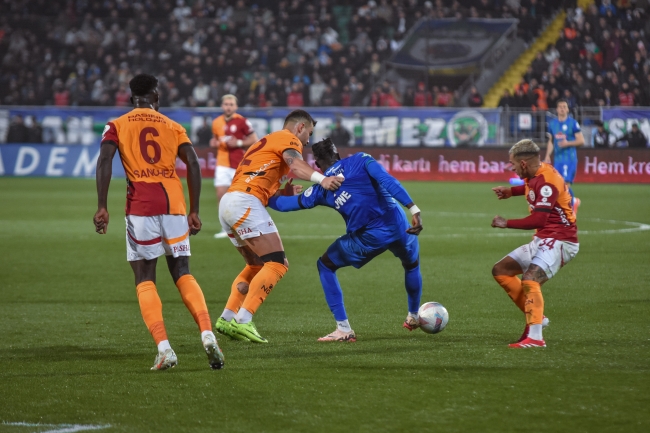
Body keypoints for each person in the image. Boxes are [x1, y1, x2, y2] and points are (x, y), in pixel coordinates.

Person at [93, 73, 224, 371]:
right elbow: (193, 162)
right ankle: (207, 334)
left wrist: (102, 205)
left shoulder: (117, 125)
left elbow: (105, 160)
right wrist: (194, 210)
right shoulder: (174, 126)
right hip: (174, 205)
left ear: (132, 98)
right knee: (183, 272)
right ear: (156, 97)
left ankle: (164, 349)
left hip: (141, 206)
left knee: (145, 277)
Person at [268, 138, 424, 342]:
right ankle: (413, 316)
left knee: (325, 265)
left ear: (317, 165)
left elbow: (285, 205)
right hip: (399, 224)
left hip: (369, 237)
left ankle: (343, 329)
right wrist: (413, 208)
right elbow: (387, 180)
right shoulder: (361, 159)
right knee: (411, 265)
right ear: (338, 154)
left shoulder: (321, 189)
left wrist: (267, 196)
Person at [214, 110, 343, 344]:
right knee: (278, 263)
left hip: (229, 203)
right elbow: (296, 165)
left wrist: (281, 191)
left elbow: (256, 178)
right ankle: (244, 320)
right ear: (300, 127)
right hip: (244, 202)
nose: (307, 141)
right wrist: (322, 179)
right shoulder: (289, 138)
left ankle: (227, 316)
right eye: (309, 133)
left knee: (255, 265)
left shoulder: (263, 142)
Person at [491, 139, 579, 348]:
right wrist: (511, 191)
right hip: (544, 239)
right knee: (501, 270)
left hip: (561, 241)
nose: (511, 168)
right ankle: (538, 317)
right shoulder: (536, 172)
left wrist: (506, 223)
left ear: (523, 163)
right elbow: (530, 186)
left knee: (531, 279)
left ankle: (536, 338)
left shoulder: (548, 181)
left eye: (513, 164)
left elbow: (539, 219)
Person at [211, 94, 259, 238]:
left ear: (236, 106)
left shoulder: (242, 121)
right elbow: (216, 140)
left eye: (231, 104)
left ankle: (245, 226)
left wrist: (238, 143)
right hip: (222, 164)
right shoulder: (216, 122)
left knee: (241, 197)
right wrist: (214, 143)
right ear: (222, 106)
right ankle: (225, 228)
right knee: (221, 196)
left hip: (238, 164)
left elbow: (254, 139)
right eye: (226, 104)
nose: (228, 107)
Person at [544, 99, 584, 216]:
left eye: (564, 107)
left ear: (567, 109)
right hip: (558, 160)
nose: (562, 109)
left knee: (565, 184)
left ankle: (569, 209)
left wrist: (568, 143)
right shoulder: (552, 124)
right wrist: (547, 155)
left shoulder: (573, 123)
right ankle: (573, 202)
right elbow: (551, 141)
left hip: (569, 158)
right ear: (557, 109)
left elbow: (581, 140)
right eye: (560, 107)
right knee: (558, 185)